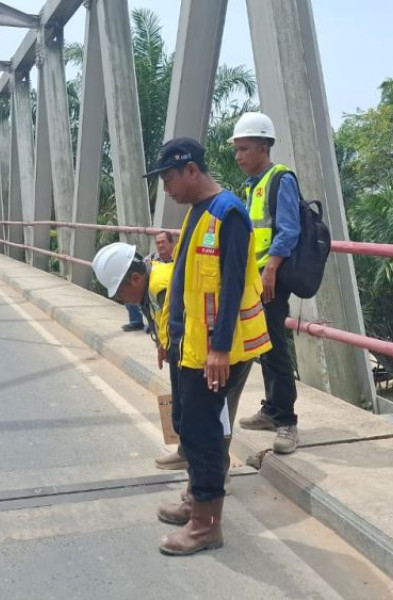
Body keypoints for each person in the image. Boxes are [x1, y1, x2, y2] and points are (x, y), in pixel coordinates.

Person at [145, 137, 271, 556]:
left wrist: (219, 349)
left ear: (192, 170)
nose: (166, 189)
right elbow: (185, 285)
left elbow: (232, 287)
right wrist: (169, 338)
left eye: (168, 179)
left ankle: (206, 526)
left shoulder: (228, 214)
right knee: (189, 428)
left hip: (214, 352)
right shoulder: (199, 213)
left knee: (204, 435)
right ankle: (193, 502)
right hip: (189, 345)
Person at [232, 112, 302, 455]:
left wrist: (271, 269)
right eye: (236, 150)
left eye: (244, 148)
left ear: (263, 146)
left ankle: (286, 421)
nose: (238, 156)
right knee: (262, 346)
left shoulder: (280, 179)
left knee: (274, 346)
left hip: (269, 279)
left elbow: (289, 229)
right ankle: (271, 408)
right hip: (256, 279)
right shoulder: (254, 185)